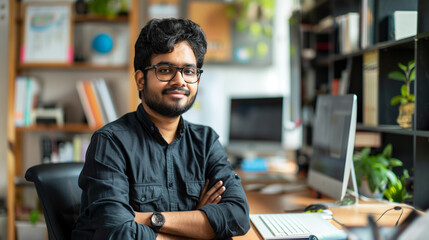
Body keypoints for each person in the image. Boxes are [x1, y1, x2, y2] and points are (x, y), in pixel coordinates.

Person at [72, 18, 250, 240]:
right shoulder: (110, 142)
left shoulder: (206, 142)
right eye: (165, 70)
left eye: (189, 71)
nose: (179, 81)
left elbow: (238, 217)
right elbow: (118, 233)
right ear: (140, 80)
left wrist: (148, 218)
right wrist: (197, 225)